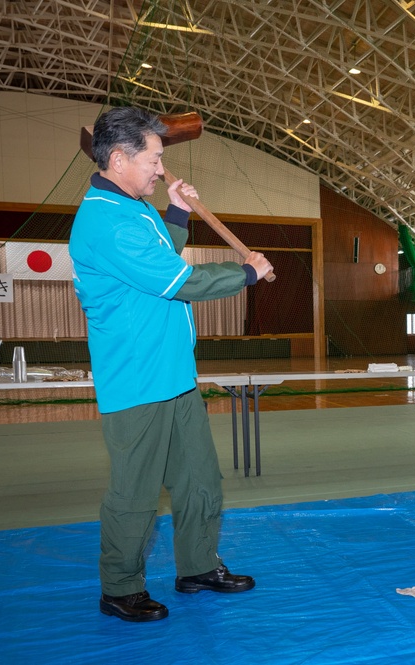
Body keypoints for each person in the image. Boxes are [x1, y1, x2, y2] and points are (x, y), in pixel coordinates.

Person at [70, 106, 274, 622]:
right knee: (135, 494)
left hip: (174, 375)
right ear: (119, 159)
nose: (162, 171)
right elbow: (179, 281)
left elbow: (161, 253)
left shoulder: (134, 208)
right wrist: (245, 273)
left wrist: (177, 213)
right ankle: (119, 587)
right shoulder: (105, 221)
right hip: (138, 379)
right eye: (155, 161)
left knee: (200, 480)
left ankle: (197, 566)